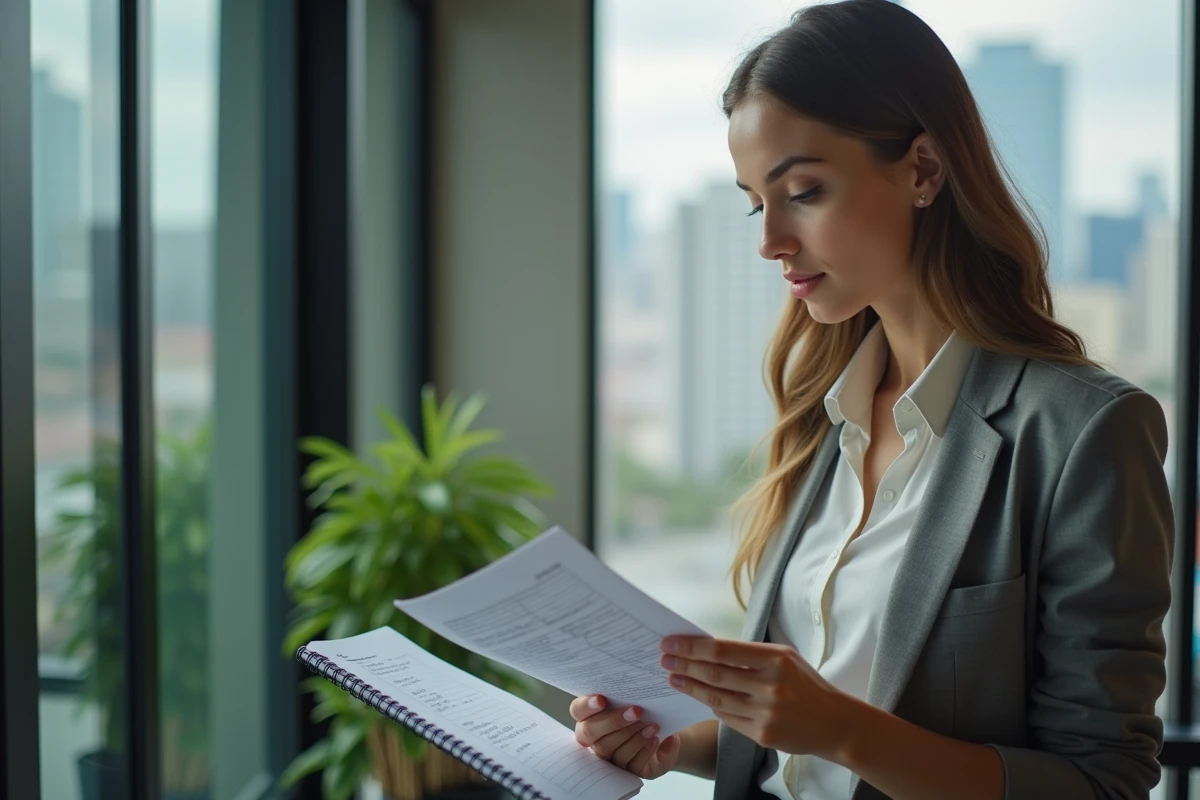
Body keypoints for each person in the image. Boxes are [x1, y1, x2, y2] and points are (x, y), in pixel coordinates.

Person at [569, 1, 1174, 798]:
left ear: (922, 169)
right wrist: (672, 742)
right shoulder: (826, 413)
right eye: (758, 201)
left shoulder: (1084, 432)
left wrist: (841, 729)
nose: (770, 240)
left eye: (804, 191)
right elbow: (806, 741)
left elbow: (1104, 782)